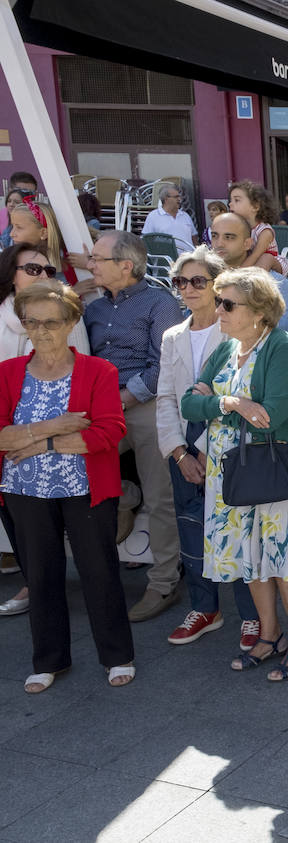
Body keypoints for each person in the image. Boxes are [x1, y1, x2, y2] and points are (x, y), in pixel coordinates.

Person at [0, 281, 133, 693]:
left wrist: (38, 442)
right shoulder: (6, 373)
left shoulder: (99, 371)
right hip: (24, 491)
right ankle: (48, 660)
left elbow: (109, 431)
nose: (41, 331)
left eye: (51, 323)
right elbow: (2, 438)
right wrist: (55, 427)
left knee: (99, 572)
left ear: (72, 321)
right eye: (31, 322)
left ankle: (117, 655)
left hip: (84, 489)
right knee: (40, 576)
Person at [181, 267, 288, 680]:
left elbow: (270, 417)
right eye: (218, 300)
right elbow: (188, 405)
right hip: (229, 475)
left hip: (270, 471)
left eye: (226, 303)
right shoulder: (225, 349)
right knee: (250, 559)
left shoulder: (282, 347)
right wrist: (232, 404)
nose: (216, 308)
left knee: (281, 559)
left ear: (258, 311)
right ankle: (270, 635)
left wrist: (216, 402)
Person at [157, 246, 262, 648]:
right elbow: (165, 397)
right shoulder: (173, 336)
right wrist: (179, 452)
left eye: (198, 281)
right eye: (181, 281)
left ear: (217, 284)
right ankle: (205, 607)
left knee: (235, 528)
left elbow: (236, 392)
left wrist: (203, 448)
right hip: (182, 447)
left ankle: (251, 615)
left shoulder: (233, 330)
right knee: (190, 525)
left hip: (226, 446)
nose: (188, 288)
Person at [84, 231, 184, 622]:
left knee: (162, 496)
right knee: (77, 472)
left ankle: (163, 583)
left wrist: (124, 397)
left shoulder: (159, 303)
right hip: (100, 409)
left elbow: (167, 365)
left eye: (96, 259)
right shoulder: (92, 308)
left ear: (125, 266)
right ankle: (126, 495)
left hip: (144, 404)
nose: (90, 264)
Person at [209, 213, 288, 338]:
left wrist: (255, 305)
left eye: (229, 237)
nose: (219, 243)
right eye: (215, 236)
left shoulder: (274, 283)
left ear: (247, 243)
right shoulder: (203, 282)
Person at [227, 181, 282, 274]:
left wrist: (238, 273)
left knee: (266, 257)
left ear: (255, 206)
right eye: (230, 200)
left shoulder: (265, 231)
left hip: (272, 263)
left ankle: (255, 283)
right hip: (252, 263)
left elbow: (256, 255)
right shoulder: (242, 228)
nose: (230, 204)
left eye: (236, 200)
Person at [140, 184, 197, 254]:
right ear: (166, 199)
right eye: (176, 197)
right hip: (167, 260)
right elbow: (147, 240)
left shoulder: (185, 215)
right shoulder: (153, 216)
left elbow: (194, 237)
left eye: (179, 196)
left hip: (188, 260)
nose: (179, 199)